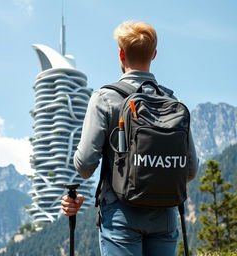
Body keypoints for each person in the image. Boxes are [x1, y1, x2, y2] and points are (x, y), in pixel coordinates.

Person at [61, 21, 198, 256]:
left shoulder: (105, 98)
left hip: (121, 213)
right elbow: (191, 170)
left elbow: (84, 167)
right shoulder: (172, 102)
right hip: (165, 215)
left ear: (121, 53)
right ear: (154, 54)